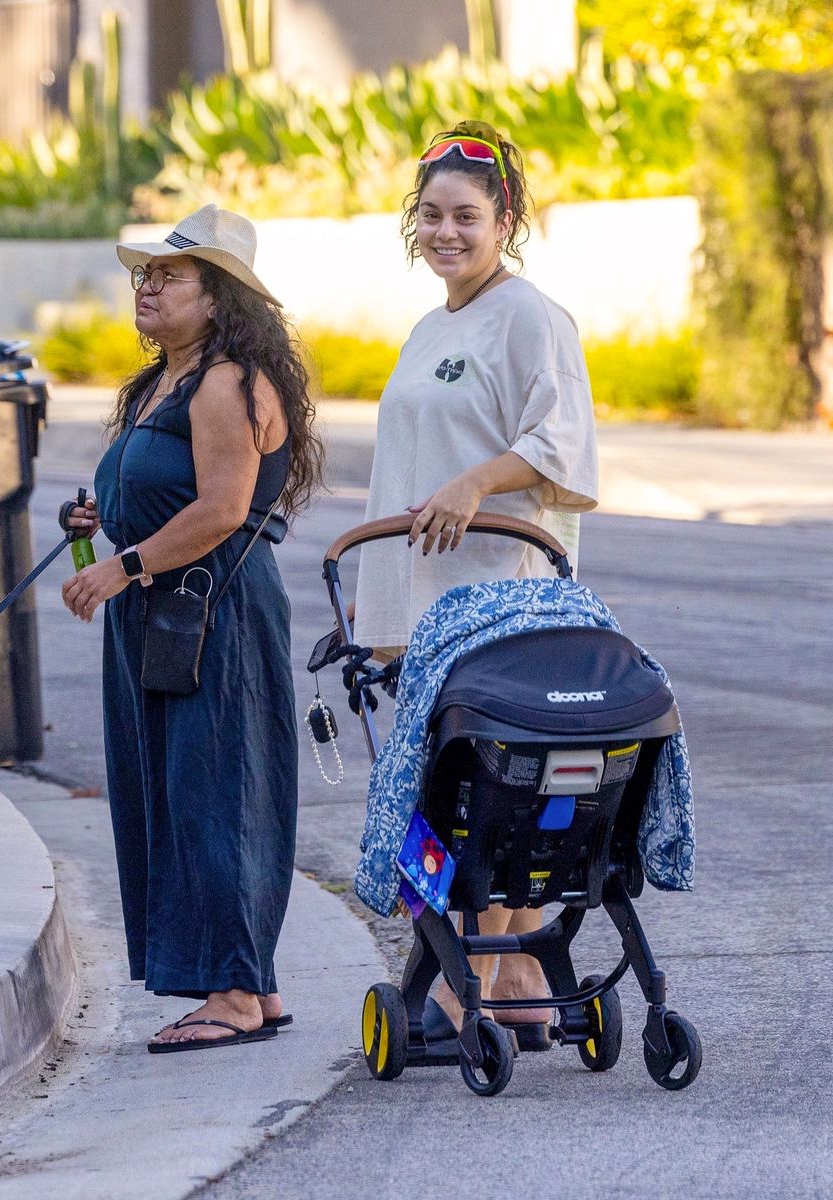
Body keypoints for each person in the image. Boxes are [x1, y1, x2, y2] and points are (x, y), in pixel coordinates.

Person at [351, 121, 599, 1049]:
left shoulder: (532, 316)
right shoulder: (431, 325)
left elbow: (562, 441)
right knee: (453, 794)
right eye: (431, 216)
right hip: (423, 598)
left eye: (466, 216)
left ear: (506, 220)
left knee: (492, 793)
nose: (445, 232)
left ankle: (474, 989)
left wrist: (474, 483)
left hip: (497, 598)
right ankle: (526, 985)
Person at [61, 205, 322, 1053]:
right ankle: (250, 985)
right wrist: (102, 514)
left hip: (215, 613)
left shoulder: (226, 382)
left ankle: (237, 996)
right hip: (166, 618)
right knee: (176, 794)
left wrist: (123, 565)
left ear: (218, 300)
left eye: (170, 275)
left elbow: (222, 509)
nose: (149, 285)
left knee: (220, 795)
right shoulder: (160, 385)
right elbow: (171, 490)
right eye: (146, 273)